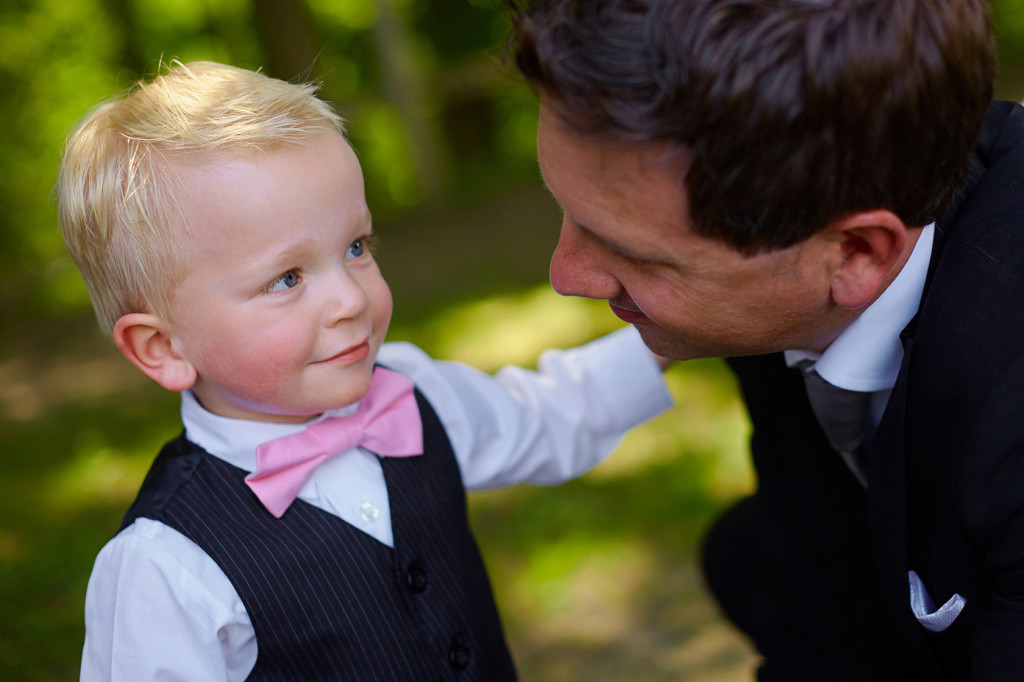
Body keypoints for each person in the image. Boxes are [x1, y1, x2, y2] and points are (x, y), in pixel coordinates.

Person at [57, 60, 674, 681]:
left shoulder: (409, 392)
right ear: (162, 348)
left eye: (356, 247)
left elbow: (550, 414)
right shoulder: (164, 566)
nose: (351, 300)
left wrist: (669, 335)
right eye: (287, 278)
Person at [507, 0, 1024, 679]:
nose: (565, 276)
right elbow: (812, 609)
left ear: (857, 254)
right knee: (746, 555)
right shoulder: (783, 276)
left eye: (634, 254)